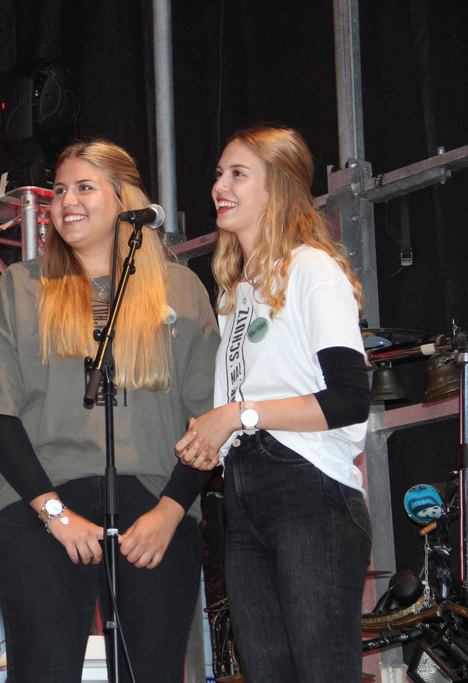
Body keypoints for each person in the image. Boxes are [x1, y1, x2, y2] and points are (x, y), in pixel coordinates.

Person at [0, 139, 219, 682]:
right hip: (42, 507)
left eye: (84, 187)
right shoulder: (21, 286)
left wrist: (171, 511)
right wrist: (53, 512)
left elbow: (208, 422)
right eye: (59, 190)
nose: (66, 201)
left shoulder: (182, 290)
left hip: (157, 508)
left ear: (126, 200)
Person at [174, 125, 371, 681]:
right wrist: (210, 438)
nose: (220, 186)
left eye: (238, 174)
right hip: (244, 495)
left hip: (309, 488)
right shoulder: (235, 293)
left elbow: (350, 398)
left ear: (277, 187)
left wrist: (239, 415)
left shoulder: (311, 268)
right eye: (219, 174)